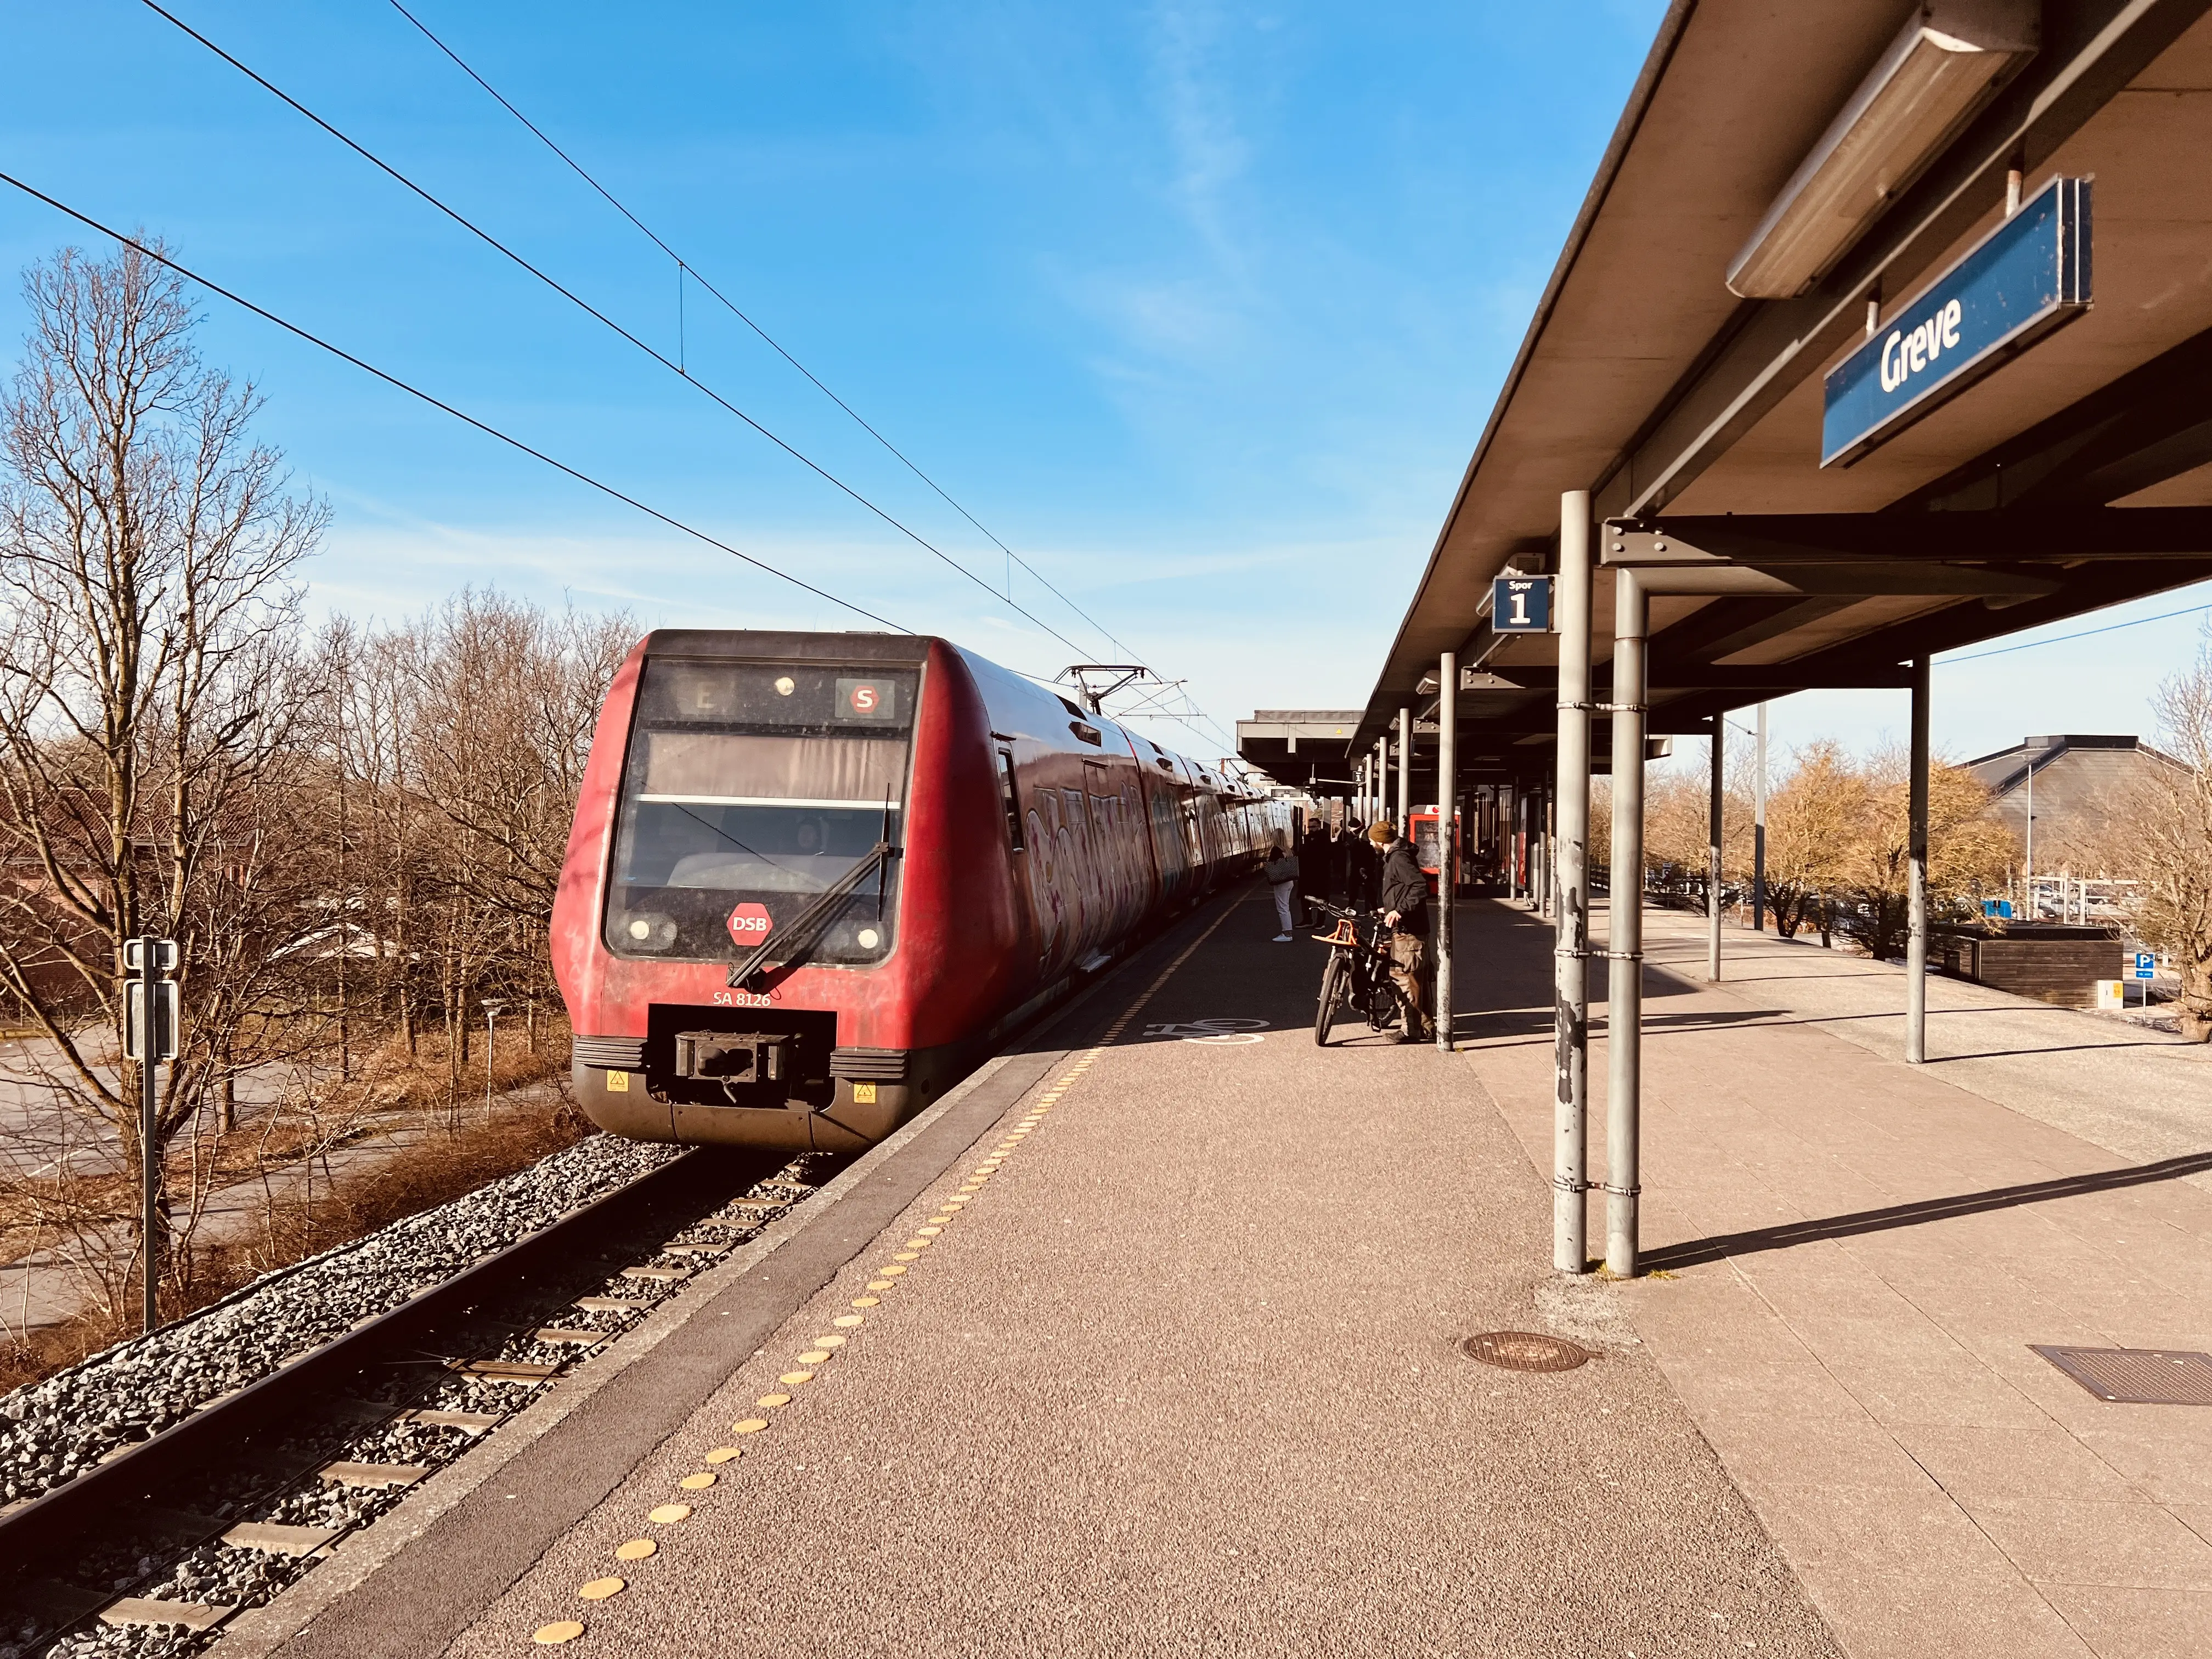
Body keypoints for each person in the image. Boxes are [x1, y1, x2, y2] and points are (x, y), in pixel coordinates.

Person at [1370, 819, 1434, 1043]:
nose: (1371, 845)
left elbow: (1418, 886)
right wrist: (1388, 908)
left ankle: (1411, 1031)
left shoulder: (1398, 859)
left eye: (1372, 841)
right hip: (1411, 928)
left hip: (1410, 930)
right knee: (1417, 980)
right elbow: (1403, 888)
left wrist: (1400, 911)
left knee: (1404, 980)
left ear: (1380, 842)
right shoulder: (1398, 856)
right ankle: (1426, 1028)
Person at [1262, 832, 1300, 942]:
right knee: (1285, 907)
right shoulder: (1288, 850)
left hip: (1281, 882)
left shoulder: (1276, 850)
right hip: (1289, 881)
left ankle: (1287, 934)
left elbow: (1272, 864)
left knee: (1282, 908)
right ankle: (1288, 932)